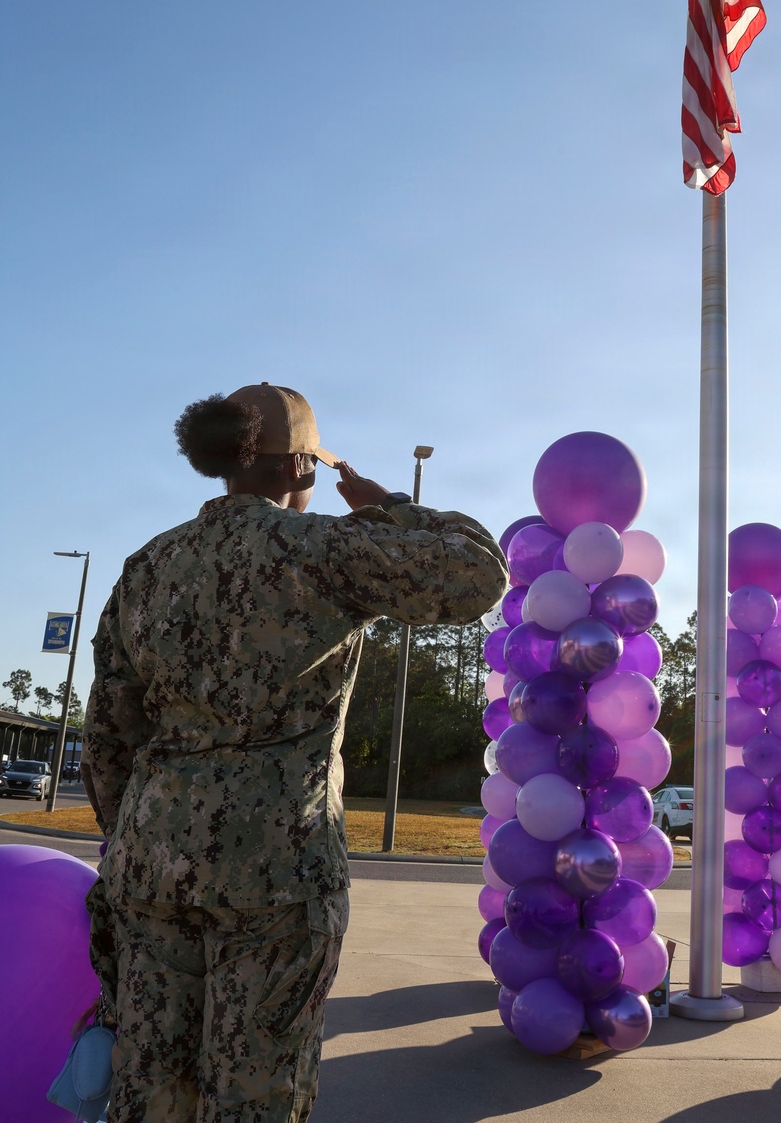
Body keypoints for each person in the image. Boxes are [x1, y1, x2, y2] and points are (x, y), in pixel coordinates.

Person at [82, 383, 507, 1123]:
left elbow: (110, 731)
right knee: (254, 1092)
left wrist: (132, 839)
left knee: (147, 1089)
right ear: (301, 468)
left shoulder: (148, 565)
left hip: (148, 870)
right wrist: (388, 508)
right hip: (276, 870)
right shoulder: (326, 550)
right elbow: (478, 573)